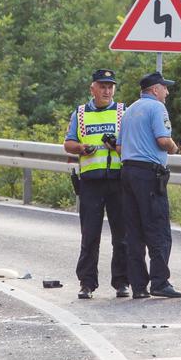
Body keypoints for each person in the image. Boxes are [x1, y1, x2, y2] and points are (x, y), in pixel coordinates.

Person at [62, 68, 129, 300]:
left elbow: (132, 143)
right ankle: (87, 283)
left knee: (122, 235)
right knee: (90, 235)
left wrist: (116, 146)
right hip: (91, 182)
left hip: (118, 180)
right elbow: (68, 143)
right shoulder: (80, 114)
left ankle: (122, 282)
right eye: (102, 86)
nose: (107, 90)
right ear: (93, 88)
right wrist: (81, 148)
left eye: (110, 86)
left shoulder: (123, 111)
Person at [118, 71, 181, 299]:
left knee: (134, 232)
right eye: (165, 87)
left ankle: (138, 286)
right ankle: (160, 282)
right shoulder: (157, 108)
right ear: (155, 89)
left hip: (127, 172)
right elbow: (163, 141)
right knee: (158, 228)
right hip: (148, 174)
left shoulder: (129, 111)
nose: (167, 92)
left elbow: (119, 146)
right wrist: (177, 148)